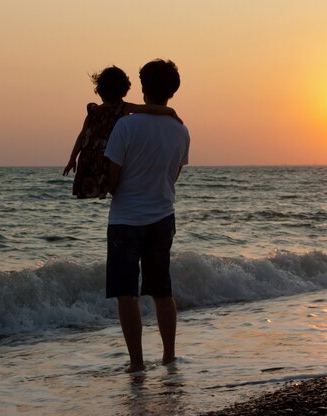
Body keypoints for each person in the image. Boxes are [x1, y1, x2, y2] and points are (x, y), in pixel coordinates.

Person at [104, 59, 190, 373]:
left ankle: (137, 363)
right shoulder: (180, 130)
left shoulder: (125, 125)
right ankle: (169, 356)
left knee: (127, 295)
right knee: (162, 291)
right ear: (172, 91)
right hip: (162, 216)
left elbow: (112, 180)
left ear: (143, 88)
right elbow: (173, 175)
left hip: (126, 218)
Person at [62, 65, 182, 199]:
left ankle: (102, 190)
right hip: (106, 154)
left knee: (97, 176)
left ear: (100, 90)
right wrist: (170, 111)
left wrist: (73, 158)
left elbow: (82, 135)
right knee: (108, 173)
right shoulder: (122, 108)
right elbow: (148, 109)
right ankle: (105, 190)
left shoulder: (94, 111)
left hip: (91, 155)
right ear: (124, 90)